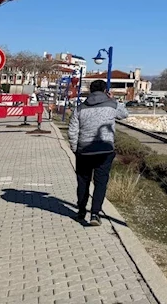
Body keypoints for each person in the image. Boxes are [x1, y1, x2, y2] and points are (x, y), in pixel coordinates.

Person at [68, 80, 128, 226]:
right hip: (105, 150)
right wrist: (113, 98)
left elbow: (72, 131)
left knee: (83, 182)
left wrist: (75, 148)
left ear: (90, 91)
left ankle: (81, 210)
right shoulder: (111, 105)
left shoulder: (80, 108)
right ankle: (95, 214)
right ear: (104, 91)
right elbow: (124, 114)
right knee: (101, 183)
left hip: (84, 150)